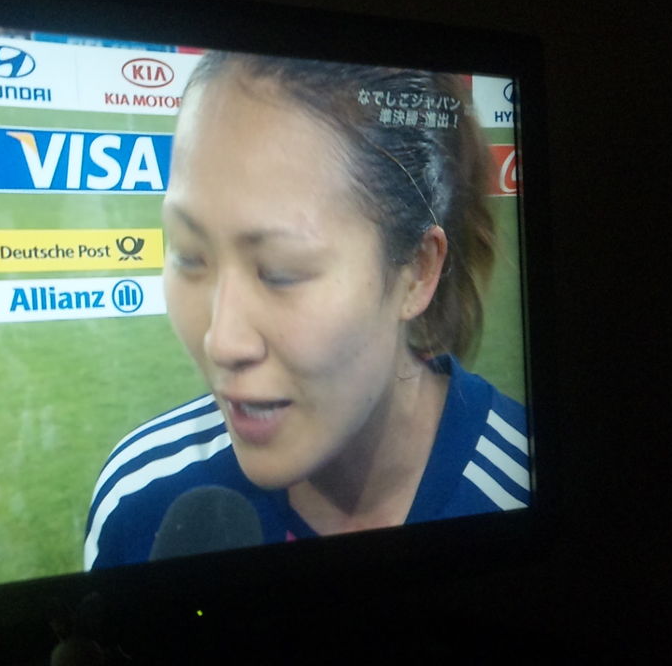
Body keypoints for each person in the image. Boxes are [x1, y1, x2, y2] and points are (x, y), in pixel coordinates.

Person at [84, 52, 529, 570]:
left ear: (417, 269)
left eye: (280, 271)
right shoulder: (139, 500)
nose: (221, 342)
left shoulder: (522, 480)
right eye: (188, 255)